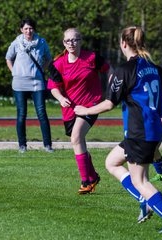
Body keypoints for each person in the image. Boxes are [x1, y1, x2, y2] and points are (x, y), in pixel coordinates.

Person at [74, 26, 162, 232]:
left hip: (139, 132)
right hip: (151, 131)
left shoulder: (124, 70)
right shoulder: (154, 67)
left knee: (140, 180)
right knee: (111, 162)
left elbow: (108, 104)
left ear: (124, 43)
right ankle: (145, 200)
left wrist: (84, 109)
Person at [47, 28, 109, 194]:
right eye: (68, 41)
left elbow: (110, 71)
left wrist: (113, 89)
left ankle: (86, 182)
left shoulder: (92, 58)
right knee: (77, 142)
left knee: (76, 137)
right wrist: (60, 98)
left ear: (81, 41)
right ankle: (93, 176)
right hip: (70, 110)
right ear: (63, 43)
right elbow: (53, 87)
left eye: (74, 40)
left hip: (90, 105)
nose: (71, 43)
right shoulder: (58, 64)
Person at [5, 17, 53, 153]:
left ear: (34, 29)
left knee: (42, 113)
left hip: (37, 82)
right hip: (19, 83)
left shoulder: (41, 42)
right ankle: (22, 145)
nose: (28, 31)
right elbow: (8, 57)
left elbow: (48, 58)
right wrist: (13, 71)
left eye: (30, 28)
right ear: (21, 30)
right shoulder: (16, 42)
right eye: (25, 28)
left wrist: (41, 69)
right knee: (21, 114)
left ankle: (48, 145)